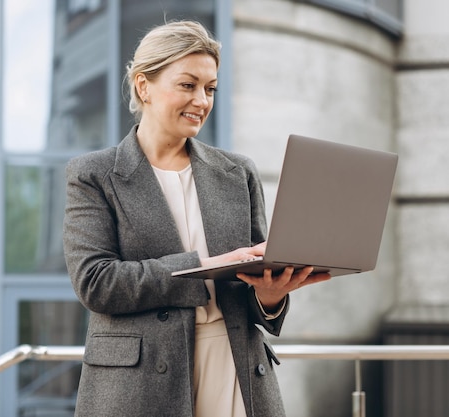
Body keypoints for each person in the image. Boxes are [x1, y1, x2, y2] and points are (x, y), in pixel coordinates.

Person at [62, 20, 331, 417]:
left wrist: (270, 297)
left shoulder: (237, 171)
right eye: (188, 85)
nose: (202, 100)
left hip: (235, 366)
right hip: (138, 385)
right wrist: (205, 267)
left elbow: (252, 279)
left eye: (210, 88)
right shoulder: (94, 174)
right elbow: (98, 283)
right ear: (143, 86)